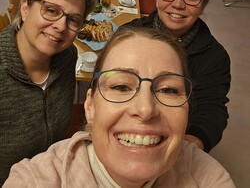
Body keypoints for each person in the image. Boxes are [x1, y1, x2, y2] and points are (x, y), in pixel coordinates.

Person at [3, 26, 235, 187]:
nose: (145, 110)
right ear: (90, 106)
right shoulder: (34, 179)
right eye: (122, 87)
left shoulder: (209, 177)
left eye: (168, 90)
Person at [123, 0, 231, 152]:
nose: (178, 4)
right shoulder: (128, 35)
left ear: (204, 3)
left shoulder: (215, 57)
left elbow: (212, 110)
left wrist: (188, 146)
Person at [0, 0, 97, 186]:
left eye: (73, 20)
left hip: (56, 172)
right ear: (25, 8)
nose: (61, 26)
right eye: (51, 11)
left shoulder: (67, 56)